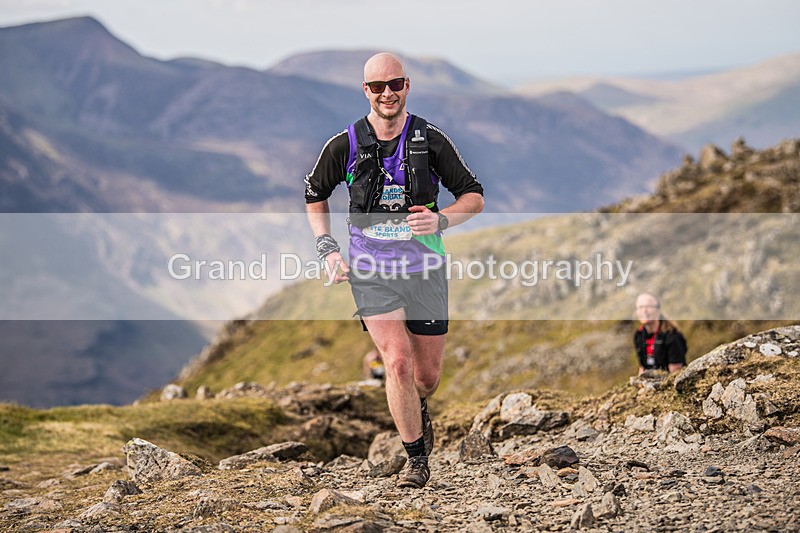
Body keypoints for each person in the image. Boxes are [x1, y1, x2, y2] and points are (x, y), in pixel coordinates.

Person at [304, 52, 484, 489]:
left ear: (407, 86)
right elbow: (314, 194)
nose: (387, 93)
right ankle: (416, 459)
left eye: (395, 84)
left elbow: (474, 196)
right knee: (397, 362)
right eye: (377, 86)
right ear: (364, 91)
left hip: (425, 268)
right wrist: (327, 247)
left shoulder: (430, 139)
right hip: (370, 270)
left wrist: (442, 220)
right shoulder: (343, 145)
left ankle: (418, 407)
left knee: (426, 377)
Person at [633, 292, 687, 374]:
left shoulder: (673, 337)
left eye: (648, 307)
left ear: (658, 310)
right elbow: (642, 367)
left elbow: (675, 374)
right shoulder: (639, 335)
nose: (644, 311)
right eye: (640, 307)